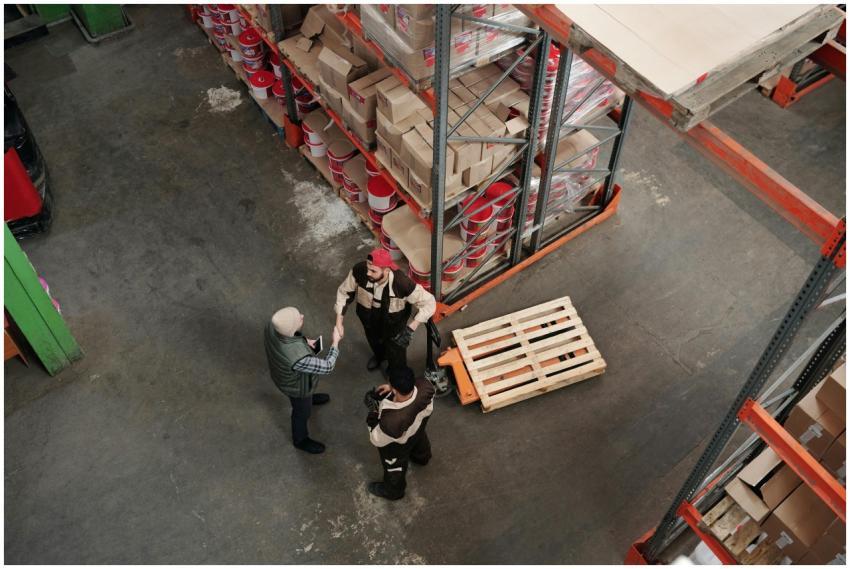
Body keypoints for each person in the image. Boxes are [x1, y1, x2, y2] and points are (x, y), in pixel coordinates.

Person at [334, 248, 436, 372]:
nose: (368, 273)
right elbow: (344, 292)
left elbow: (430, 303)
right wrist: (339, 322)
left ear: (387, 270)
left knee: (396, 352)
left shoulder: (402, 284)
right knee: (374, 342)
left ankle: (395, 370)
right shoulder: (359, 271)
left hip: (394, 326)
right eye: (368, 268)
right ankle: (379, 357)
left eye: (373, 271)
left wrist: (410, 329)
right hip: (369, 320)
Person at [264, 306, 343, 454]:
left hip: (282, 375)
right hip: (296, 387)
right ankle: (300, 439)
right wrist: (335, 342)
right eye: (298, 317)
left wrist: (304, 342)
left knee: (305, 399)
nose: (302, 315)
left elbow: (288, 336)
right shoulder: (297, 358)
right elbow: (327, 367)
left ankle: (310, 398)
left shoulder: (271, 326)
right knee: (302, 412)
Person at [364, 366, 435, 500]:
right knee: (419, 442)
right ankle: (422, 458)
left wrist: (373, 412)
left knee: (394, 467)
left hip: (397, 445)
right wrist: (392, 388)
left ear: (395, 389)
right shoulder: (426, 387)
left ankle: (393, 492)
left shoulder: (391, 422)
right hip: (418, 428)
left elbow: (376, 439)